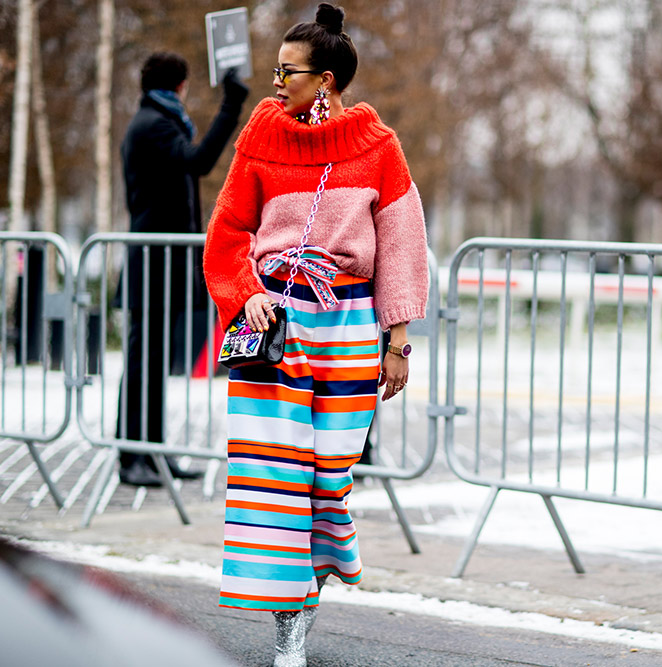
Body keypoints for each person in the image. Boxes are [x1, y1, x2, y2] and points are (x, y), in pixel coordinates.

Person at [202, 5, 428, 666]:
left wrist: (397, 344)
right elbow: (226, 232)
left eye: (288, 71)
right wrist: (247, 294)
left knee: (330, 479)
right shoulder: (261, 137)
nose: (276, 83)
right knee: (275, 480)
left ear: (325, 79)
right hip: (275, 329)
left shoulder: (378, 147)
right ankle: (288, 630)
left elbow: (403, 248)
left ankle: (308, 597)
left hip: (351, 328)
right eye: (275, 69)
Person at [116, 52, 249, 487]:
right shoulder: (155, 125)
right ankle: (133, 456)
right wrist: (230, 106)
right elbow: (198, 161)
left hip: (162, 263)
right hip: (154, 261)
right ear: (181, 85)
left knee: (151, 363)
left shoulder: (155, 120)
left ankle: (151, 452)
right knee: (143, 362)